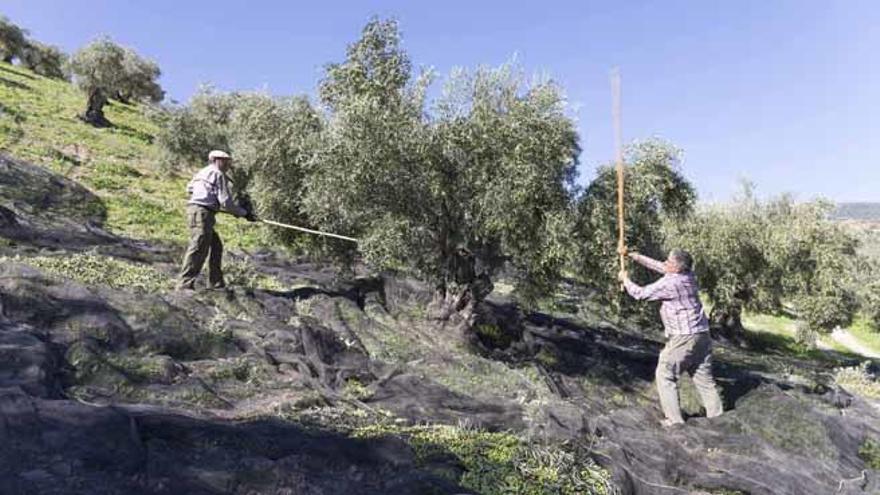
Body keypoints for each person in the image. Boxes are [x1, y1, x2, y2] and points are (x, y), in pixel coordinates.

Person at [618, 247, 723, 427]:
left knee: (665, 373)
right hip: (702, 335)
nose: (665, 263)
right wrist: (634, 256)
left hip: (684, 337)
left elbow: (640, 294)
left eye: (669, 261)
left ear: (677, 267)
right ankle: (720, 420)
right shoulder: (688, 275)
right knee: (705, 381)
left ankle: (674, 421)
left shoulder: (671, 284)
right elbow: (661, 267)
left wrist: (625, 280)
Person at [177, 150, 256, 291]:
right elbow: (226, 202)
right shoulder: (218, 174)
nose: (227, 164)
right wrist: (245, 214)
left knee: (216, 245)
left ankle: (216, 284)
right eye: (224, 161)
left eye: (228, 161)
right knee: (198, 247)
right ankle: (184, 286)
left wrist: (207, 197)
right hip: (202, 213)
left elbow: (189, 188)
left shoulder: (203, 172)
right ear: (215, 160)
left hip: (200, 212)